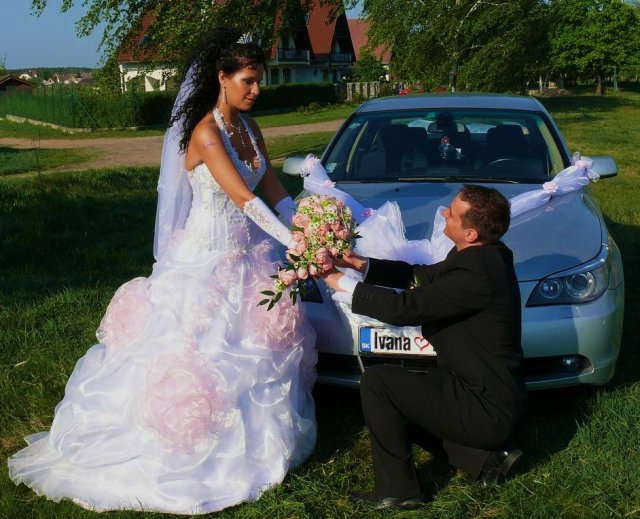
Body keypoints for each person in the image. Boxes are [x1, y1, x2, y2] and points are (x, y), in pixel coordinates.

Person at [8, 28, 317, 514]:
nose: (257, 89)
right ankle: (186, 449)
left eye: (259, 80)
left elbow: (273, 189)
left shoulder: (250, 128)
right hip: (203, 261)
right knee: (197, 352)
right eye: (249, 80)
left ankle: (259, 444)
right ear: (222, 78)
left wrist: (308, 226)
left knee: (255, 349)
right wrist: (293, 241)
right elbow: (244, 198)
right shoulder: (206, 133)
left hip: (246, 258)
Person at [322, 184, 528, 510]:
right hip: (479, 391)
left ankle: (397, 492)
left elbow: (404, 308)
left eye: (452, 213)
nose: (444, 213)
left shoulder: (478, 275)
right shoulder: (482, 254)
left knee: (379, 384)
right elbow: (422, 278)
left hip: (485, 407)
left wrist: (337, 280)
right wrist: (359, 264)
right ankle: (486, 460)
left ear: (471, 233)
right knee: (403, 396)